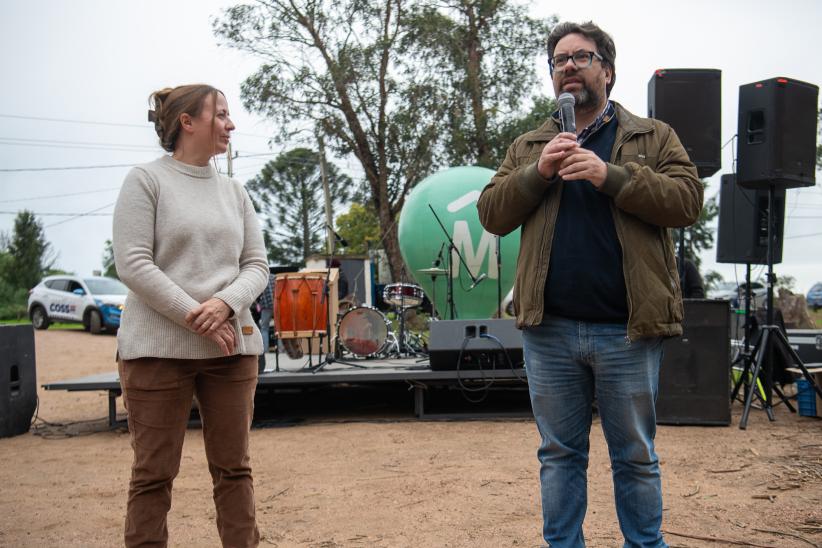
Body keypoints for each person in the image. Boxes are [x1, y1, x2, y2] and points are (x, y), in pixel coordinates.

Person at [477, 21, 703, 547]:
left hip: (627, 329)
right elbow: (491, 213)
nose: (569, 66)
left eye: (582, 56)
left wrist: (611, 176)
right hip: (549, 332)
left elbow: (687, 202)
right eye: (560, 60)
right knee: (559, 456)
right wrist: (538, 172)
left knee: (636, 456)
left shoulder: (653, 136)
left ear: (608, 69)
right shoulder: (531, 143)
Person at [112, 84, 269, 548]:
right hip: (157, 351)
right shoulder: (145, 180)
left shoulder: (234, 191)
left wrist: (224, 305)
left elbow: (256, 265)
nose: (230, 124)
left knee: (235, 470)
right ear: (187, 122)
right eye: (220, 114)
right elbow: (134, 263)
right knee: (153, 475)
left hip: (231, 350)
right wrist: (196, 315)